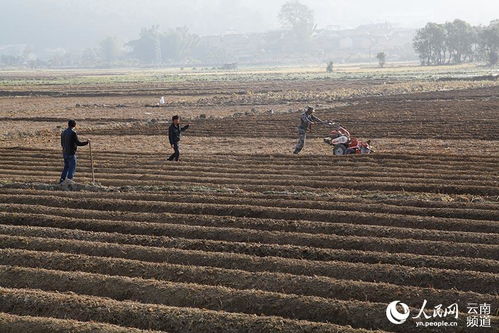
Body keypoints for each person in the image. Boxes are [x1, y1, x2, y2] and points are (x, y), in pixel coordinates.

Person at [60, 119, 89, 184]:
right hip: (71, 153)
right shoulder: (73, 133)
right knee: (72, 167)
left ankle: (62, 179)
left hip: (64, 153)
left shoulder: (63, 132)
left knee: (66, 166)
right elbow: (78, 143)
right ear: (74, 125)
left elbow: (62, 144)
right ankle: (69, 180)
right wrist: (87, 142)